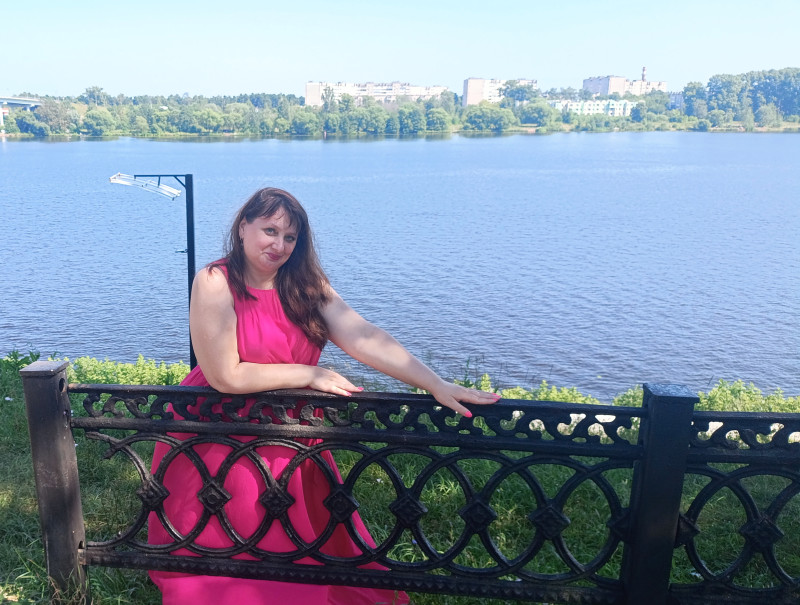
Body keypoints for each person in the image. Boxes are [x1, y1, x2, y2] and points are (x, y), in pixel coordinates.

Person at [148, 187, 500, 605]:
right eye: (270, 230)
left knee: (304, 547)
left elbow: (364, 336)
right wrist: (309, 373)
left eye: (290, 237)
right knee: (235, 552)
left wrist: (435, 384)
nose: (279, 245)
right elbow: (225, 376)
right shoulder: (215, 281)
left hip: (291, 432)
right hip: (221, 431)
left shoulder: (305, 285)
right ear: (243, 227)